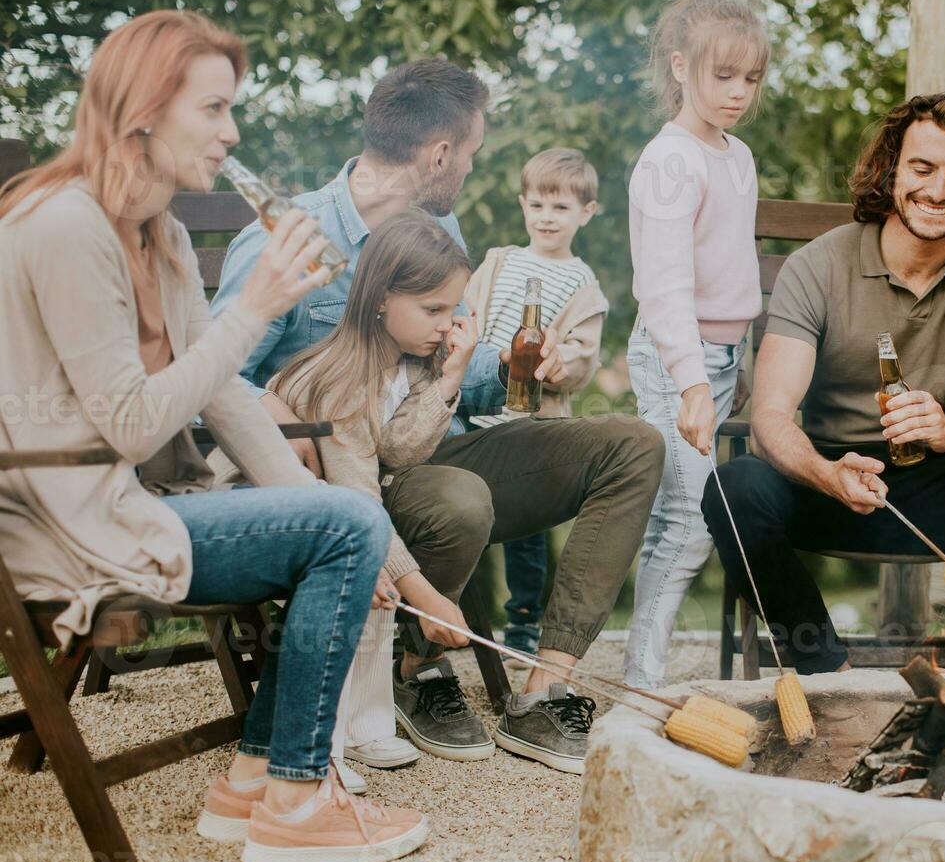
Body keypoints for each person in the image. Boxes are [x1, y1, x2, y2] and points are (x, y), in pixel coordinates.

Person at [0, 10, 425, 862]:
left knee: (344, 521)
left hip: (128, 503)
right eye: (215, 109)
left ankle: (253, 782)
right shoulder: (62, 225)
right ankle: (297, 808)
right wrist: (257, 308)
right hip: (66, 523)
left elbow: (225, 394)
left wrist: (347, 524)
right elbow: (131, 421)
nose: (233, 133)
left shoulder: (158, 230)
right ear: (145, 110)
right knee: (346, 525)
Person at [211, 59, 663, 775]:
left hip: (423, 443)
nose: (475, 166)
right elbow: (217, 378)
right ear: (440, 154)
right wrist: (278, 414)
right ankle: (415, 667)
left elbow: (452, 367)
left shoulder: (435, 229)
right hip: (337, 474)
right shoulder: (288, 236)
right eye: (475, 151)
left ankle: (544, 690)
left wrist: (512, 366)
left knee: (632, 444)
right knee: (459, 498)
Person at [702, 92, 945, 675]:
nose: (938, 190)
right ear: (890, 170)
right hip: (841, 477)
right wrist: (828, 475)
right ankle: (824, 672)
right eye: (923, 168)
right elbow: (770, 419)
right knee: (734, 487)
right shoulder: (818, 265)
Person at [212, 209, 491, 786]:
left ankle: (367, 723)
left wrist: (449, 376)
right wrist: (428, 595)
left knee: (377, 566)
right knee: (364, 565)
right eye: (433, 309)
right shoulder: (340, 380)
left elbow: (402, 448)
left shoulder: (408, 362)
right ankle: (325, 743)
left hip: (335, 504)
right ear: (383, 298)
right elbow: (358, 501)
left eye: (454, 309)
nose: (447, 325)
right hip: (266, 512)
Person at [623, 0, 767, 688]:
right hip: (671, 356)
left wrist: (740, 358)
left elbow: (730, 265)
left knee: (682, 521)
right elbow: (665, 288)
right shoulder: (669, 161)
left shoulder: (736, 155)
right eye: (722, 76)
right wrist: (688, 383)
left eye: (751, 78)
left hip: (720, 356)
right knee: (687, 522)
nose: (738, 93)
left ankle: (639, 678)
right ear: (681, 67)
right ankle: (640, 686)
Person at [464, 147, 608, 657]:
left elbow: (581, 356)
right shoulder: (499, 261)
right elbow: (466, 316)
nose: (547, 218)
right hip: (472, 412)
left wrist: (554, 364)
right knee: (464, 515)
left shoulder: (583, 284)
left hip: (530, 422)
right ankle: (459, 612)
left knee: (525, 528)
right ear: (523, 205)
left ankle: (524, 620)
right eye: (538, 205)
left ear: (586, 213)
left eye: (561, 208)